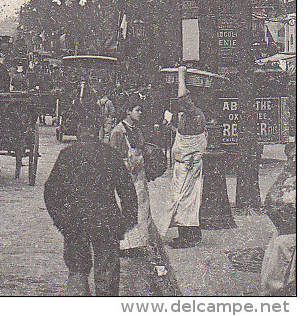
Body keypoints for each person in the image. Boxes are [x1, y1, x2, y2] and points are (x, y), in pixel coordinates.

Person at [45, 103, 138, 296]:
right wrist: (126, 222)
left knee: (77, 270)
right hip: (106, 221)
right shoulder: (110, 155)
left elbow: (51, 192)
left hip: (75, 222)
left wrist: (61, 221)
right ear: (98, 130)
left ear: (79, 131)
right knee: (107, 272)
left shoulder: (67, 155)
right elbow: (128, 191)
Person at [159, 66, 207, 248]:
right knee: (184, 200)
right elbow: (182, 134)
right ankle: (188, 234)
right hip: (183, 165)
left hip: (188, 165)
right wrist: (169, 126)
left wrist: (181, 74)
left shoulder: (195, 114)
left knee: (184, 200)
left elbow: (181, 97)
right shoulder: (188, 117)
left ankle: (188, 237)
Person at [108, 98, 153, 256]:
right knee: (126, 207)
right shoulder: (118, 131)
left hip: (139, 174)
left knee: (141, 207)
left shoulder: (137, 130)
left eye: (140, 110)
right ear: (128, 111)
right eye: (137, 110)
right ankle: (123, 245)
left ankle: (137, 243)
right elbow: (112, 155)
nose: (140, 113)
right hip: (125, 174)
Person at [260, 142, 296, 295]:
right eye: (291, 157)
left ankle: (278, 290)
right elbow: (272, 196)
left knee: (282, 243)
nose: (293, 161)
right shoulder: (291, 171)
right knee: (276, 237)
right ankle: (271, 290)